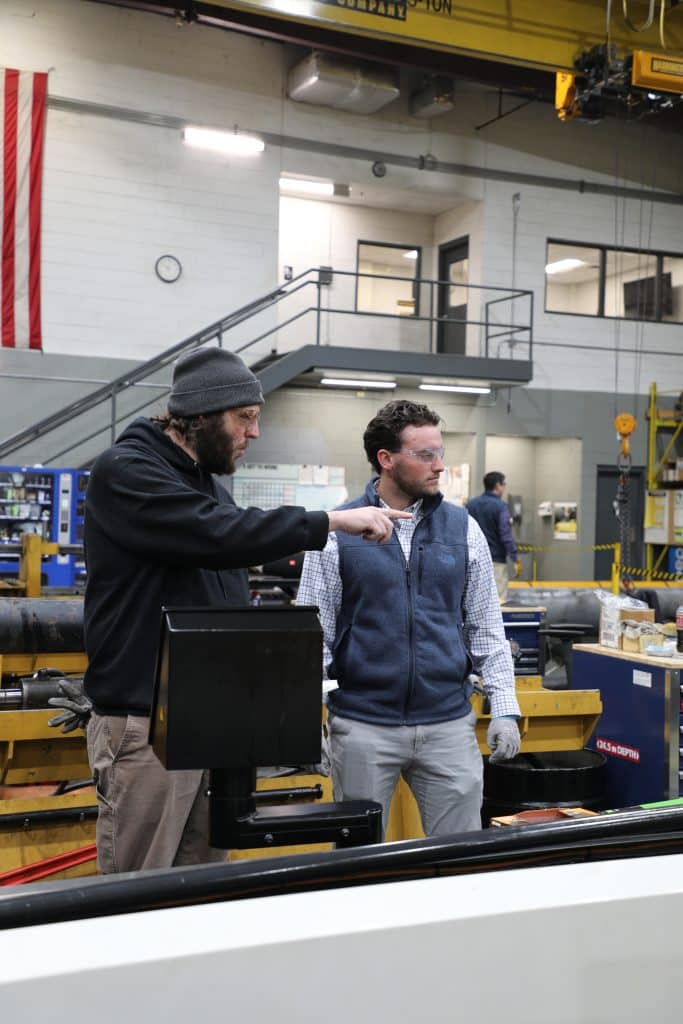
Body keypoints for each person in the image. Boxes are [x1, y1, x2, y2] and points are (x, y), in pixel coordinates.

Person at [82, 347, 409, 874]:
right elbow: (217, 534)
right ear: (203, 415)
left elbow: (230, 556)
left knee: (206, 883)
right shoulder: (127, 472)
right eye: (246, 418)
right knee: (136, 892)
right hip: (147, 725)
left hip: (212, 721)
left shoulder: (205, 483)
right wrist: (331, 521)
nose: (253, 433)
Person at [297, 400, 521, 839]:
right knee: (360, 865)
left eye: (440, 453)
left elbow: (486, 628)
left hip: (449, 725)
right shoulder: (339, 530)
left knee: (459, 861)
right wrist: (307, 717)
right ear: (386, 459)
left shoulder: (463, 528)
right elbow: (313, 635)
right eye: (425, 455)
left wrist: (506, 708)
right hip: (363, 726)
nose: (439, 466)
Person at [466, 471, 520, 603]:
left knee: (475, 600)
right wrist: (515, 558)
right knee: (498, 600)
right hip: (495, 561)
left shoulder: (471, 505)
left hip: (473, 560)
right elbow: (505, 535)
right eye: (503, 484)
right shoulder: (501, 507)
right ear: (497, 486)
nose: (504, 488)